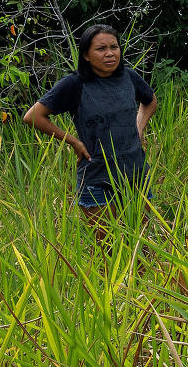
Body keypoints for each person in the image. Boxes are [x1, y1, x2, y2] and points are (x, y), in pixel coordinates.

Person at [24, 25, 156, 227]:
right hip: (97, 177)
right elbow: (33, 116)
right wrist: (74, 142)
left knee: (141, 244)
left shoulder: (128, 77)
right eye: (101, 49)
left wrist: (138, 128)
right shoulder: (75, 84)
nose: (110, 54)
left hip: (136, 174)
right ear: (86, 55)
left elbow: (150, 101)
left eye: (114, 47)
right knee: (106, 250)